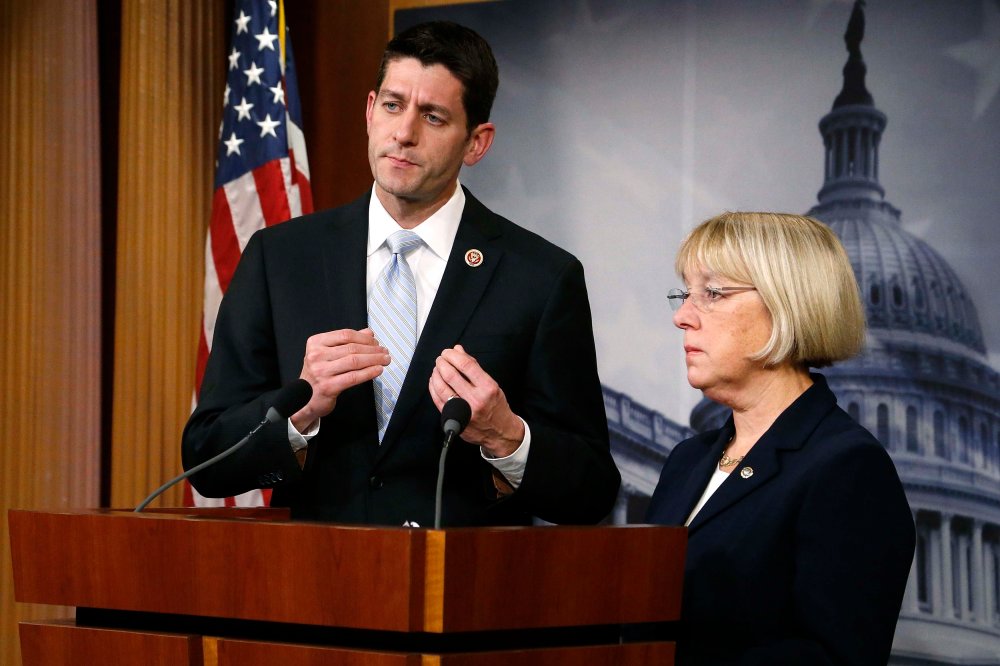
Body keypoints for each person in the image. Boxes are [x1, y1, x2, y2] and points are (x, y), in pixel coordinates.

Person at [182, 21, 620, 527]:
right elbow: (206, 456)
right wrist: (298, 409)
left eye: (433, 117)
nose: (404, 134)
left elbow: (592, 489)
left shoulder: (540, 277)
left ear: (476, 143)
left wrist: (506, 435)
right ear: (370, 111)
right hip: (314, 570)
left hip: (460, 573)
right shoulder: (279, 258)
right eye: (393, 106)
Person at [646, 212, 915, 664]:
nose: (682, 317)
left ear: (788, 303)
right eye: (684, 293)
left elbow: (833, 657)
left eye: (712, 293)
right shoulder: (686, 460)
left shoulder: (847, 468)